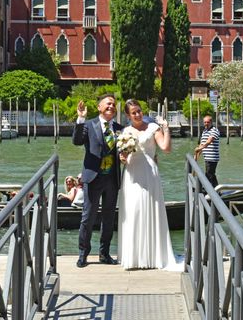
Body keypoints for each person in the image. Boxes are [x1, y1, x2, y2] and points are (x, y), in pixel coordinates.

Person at [117, 99, 176, 270]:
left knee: (150, 209)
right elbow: (124, 155)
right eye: (133, 112)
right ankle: (134, 257)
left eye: (139, 111)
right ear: (128, 115)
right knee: (134, 211)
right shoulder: (125, 132)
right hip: (131, 174)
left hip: (149, 172)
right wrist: (122, 158)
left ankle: (153, 257)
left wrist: (165, 128)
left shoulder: (153, 128)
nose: (137, 114)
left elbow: (166, 148)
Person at [72, 94, 123, 268]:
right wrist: (81, 118)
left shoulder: (119, 128)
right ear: (99, 106)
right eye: (108, 104)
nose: (111, 106)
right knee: (88, 217)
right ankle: (83, 253)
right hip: (93, 177)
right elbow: (77, 141)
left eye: (114, 105)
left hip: (112, 178)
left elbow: (123, 150)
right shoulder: (89, 125)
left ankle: (104, 253)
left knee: (108, 218)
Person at [195, 115, 220, 187]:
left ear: (211, 122)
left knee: (209, 174)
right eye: (205, 122)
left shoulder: (214, 130)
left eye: (207, 122)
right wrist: (196, 155)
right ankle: (214, 190)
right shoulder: (204, 131)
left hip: (213, 157)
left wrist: (199, 149)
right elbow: (202, 144)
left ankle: (211, 190)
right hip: (207, 157)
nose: (206, 123)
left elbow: (209, 141)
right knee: (210, 174)